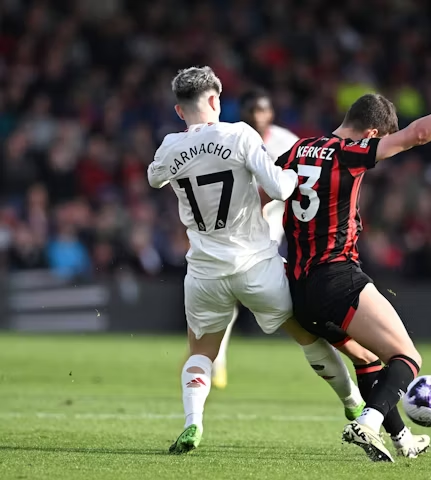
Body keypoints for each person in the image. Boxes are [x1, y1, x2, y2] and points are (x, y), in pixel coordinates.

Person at [275, 70, 431, 462]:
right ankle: (367, 423)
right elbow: (419, 134)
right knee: (406, 358)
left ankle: (402, 440)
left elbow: (266, 189)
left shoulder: (297, 150)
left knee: (368, 360)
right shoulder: (348, 153)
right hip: (335, 277)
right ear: (370, 133)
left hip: (298, 291)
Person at [148, 66, 370, 454]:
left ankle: (193, 422)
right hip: (256, 263)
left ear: (180, 111)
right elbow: (281, 187)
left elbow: (155, 178)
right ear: (216, 100)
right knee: (307, 336)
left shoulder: (169, 146)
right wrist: (294, 176)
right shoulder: (240, 134)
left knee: (201, 352)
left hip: (204, 271)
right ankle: (352, 402)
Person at [209, 88, 299, 390]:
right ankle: (216, 360)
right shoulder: (230, 138)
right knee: (228, 295)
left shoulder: (287, 142)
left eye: (262, 110)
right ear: (243, 113)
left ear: (271, 113)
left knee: (271, 295)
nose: (257, 116)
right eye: (251, 111)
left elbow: (297, 183)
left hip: (271, 227)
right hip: (234, 226)